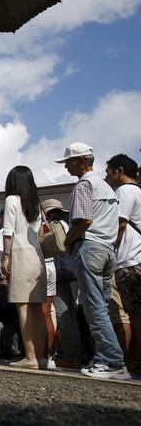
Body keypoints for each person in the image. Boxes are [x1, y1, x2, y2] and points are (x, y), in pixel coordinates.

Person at [57, 142, 130, 379]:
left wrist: (67, 241)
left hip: (90, 247)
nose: (67, 166)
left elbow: (83, 221)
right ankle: (104, 359)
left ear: (80, 161)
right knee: (104, 307)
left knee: (93, 306)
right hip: (108, 249)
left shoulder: (84, 185)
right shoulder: (107, 186)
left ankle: (113, 362)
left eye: (68, 161)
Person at [0, 166, 51, 370]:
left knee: (23, 307)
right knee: (37, 308)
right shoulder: (36, 203)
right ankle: (40, 356)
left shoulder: (12, 200)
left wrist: (5, 257)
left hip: (20, 253)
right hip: (37, 256)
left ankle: (29, 356)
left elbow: (8, 232)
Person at [105, 153, 141, 371]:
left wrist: (109, 248)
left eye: (109, 171)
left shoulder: (125, 191)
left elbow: (118, 224)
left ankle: (126, 364)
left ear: (119, 171)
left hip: (130, 260)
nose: (107, 176)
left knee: (134, 316)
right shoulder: (139, 191)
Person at [41, 199, 80, 368]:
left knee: (63, 315)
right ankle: (76, 353)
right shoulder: (67, 224)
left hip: (60, 274)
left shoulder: (54, 225)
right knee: (72, 314)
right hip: (73, 271)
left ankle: (71, 355)